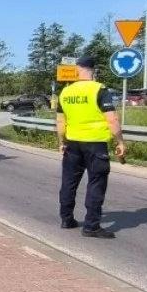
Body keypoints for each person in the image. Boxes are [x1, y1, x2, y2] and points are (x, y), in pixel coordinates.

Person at [56, 54, 126, 239]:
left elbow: (60, 122)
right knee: (96, 183)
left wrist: (61, 142)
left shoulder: (66, 92)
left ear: (77, 70)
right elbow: (112, 120)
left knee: (69, 182)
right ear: (93, 70)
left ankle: (66, 219)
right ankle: (91, 226)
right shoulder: (99, 89)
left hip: (72, 144)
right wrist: (120, 142)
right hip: (95, 144)